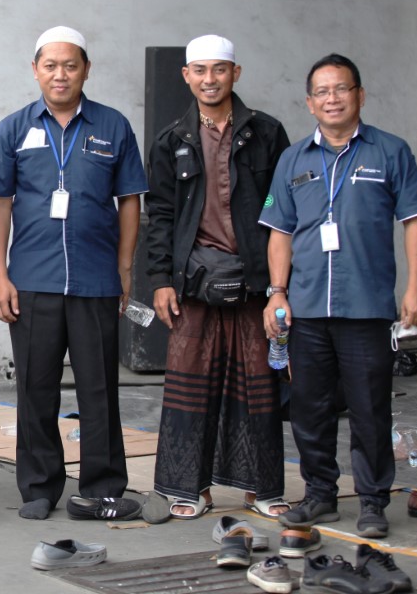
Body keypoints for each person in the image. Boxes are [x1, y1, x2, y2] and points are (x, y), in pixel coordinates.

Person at [259, 53, 417, 539]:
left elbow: (414, 221)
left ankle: (373, 501)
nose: (332, 99)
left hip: (366, 308)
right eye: (322, 92)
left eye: (341, 89)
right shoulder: (293, 160)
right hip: (307, 308)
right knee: (309, 409)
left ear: (360, 95)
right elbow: (279, 232)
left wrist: (414, 288)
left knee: (369, 409)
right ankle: (320, 495)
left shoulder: (390, 151)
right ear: (309, 102)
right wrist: (277, 293)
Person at [0, 26, 148, 521]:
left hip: (95, 280)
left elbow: (130, 200)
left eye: (70, 65)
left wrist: (124, 268)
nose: (60, 74)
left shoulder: (113, 126)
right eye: (50, 65)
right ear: (35, 70)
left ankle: (103, 488)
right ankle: (38, 487)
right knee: (35, 389)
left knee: (99, 389)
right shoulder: (14, 129)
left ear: (86, 70)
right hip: (32, 280)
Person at [142, 35, 291, 523]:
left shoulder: (266, 133)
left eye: (220, 69)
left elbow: (283, 209)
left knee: (258, 385)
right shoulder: (170, 140)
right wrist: (160, 279)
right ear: (186, 76)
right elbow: (161, 215)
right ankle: (190, 487)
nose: (210, 79)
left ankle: (261, 488)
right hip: (194, 280)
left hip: (254, 280)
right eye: (200, 70)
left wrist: (279, 283)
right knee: (190, 386)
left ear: (236, 73)